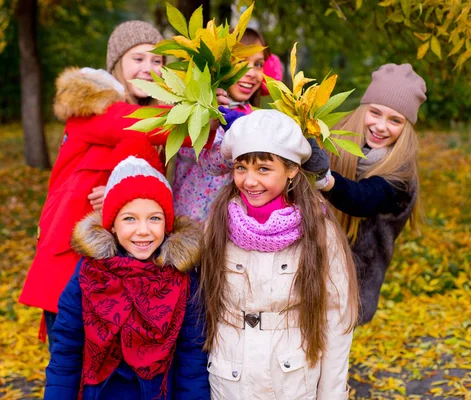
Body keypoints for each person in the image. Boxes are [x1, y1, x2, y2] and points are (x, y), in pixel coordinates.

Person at [19, 20, 170, 346]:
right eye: (138, 59)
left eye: (157, 61)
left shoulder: (149, 116)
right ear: (116, 64)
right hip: (71, 263)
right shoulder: (94, 108)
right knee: (72, 368)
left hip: (121, 262)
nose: (148, 68)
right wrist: (211, 112)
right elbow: (148, 126)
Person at [200, 109, 359, 399]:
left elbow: (337, 318)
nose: (249, 181)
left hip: (291, 381)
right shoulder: (219, 223)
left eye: (263, 169)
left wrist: (332, 394)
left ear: (291, 170)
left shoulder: (318, 230)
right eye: (241, 168)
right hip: (230, 380)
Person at [44, 144, 209, 400]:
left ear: (167, 224)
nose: (143, 230)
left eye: (154, 218)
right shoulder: (88, 275)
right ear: (111, 225)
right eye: (129, 219)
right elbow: (66, 351)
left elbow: (192, 357)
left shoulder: (182, 277)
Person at [304, 63, 426, 324]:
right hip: (308, 276)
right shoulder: (335, 142)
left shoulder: (400, 176)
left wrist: (325, 179)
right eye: (375, 113)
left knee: (329, 360)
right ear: (364, 110)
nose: (381, 126)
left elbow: (363, 198)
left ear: (407, 127)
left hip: (350, 290)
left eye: (395, 120)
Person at [173, 28, 282, 221]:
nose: (251, 73)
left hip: (233, 226)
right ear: (218, 67)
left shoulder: (253, 116)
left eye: (258, 64)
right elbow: (207, 161)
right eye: (240, 63)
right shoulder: (197, 107)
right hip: (194, 224)